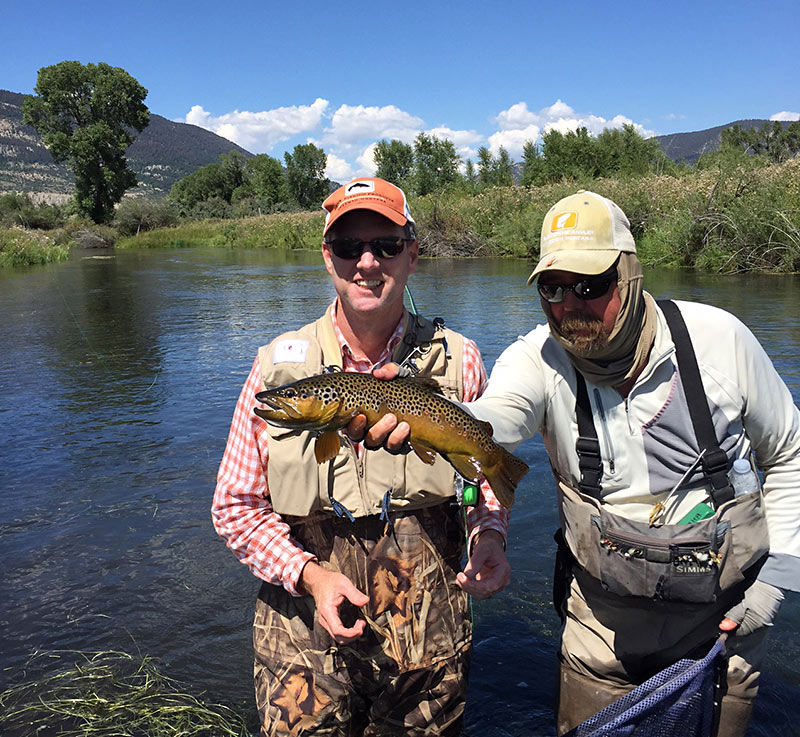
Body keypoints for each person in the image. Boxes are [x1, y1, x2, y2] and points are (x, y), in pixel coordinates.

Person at [363, 190, 800, 737]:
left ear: (631, 273)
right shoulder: (535, 359)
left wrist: (777, 584)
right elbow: (495, 415)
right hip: (602, 632)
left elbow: (790, 454)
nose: (570, 303)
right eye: (553, 288)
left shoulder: (719, 341)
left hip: (726, 626)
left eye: (590, 285)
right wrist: (425, 411)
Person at [212, 177, 511, 737]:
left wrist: (488, 535)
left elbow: (481, 482)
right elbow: (235, 507)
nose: (367, 262)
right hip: (301, 631)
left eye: (386, 245)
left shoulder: (461, 360)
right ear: (328, 258)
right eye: (350, 247)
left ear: (413, 254)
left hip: (431, 637)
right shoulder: (276, 368)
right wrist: (309, 575)